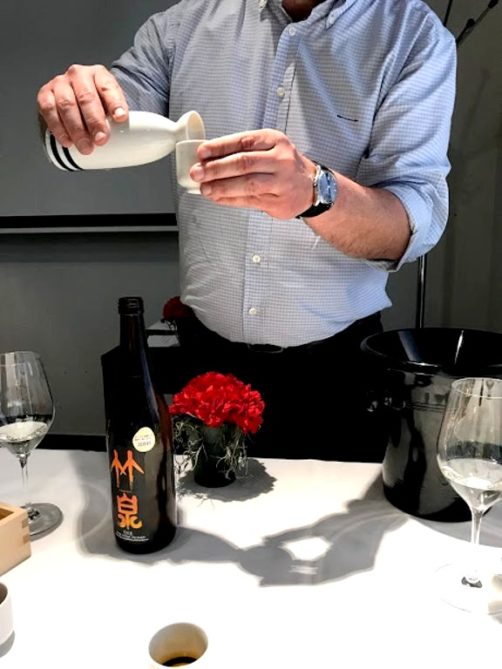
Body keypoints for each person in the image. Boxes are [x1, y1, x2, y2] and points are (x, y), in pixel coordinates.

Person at [37, 0, 457, 461]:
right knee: (198, 507)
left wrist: (317, 191)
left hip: (336, 372)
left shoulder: (411, 35)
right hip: (206, 364)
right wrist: (72, 109)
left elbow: (412, 222)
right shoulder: (186, 24)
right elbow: (100, 127)